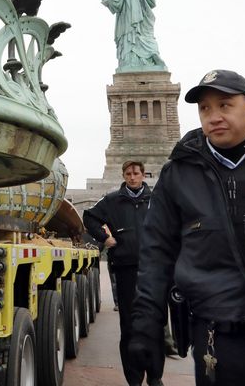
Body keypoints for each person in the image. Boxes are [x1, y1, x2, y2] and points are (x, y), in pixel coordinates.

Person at [130, 69, 245, 385]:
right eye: (205, 108)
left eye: (224, 105)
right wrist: (145, 324)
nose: (213, 116)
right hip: (220, 344)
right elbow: (156, 256)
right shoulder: (179, 176)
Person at [84, 161, 164, 386]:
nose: (132, 177)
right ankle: (134, 379)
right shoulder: (112, 200)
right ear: (124, 175)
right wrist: (105, 237)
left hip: (153, 271)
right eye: (128, 174)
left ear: (143, 175)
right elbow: (89, 217)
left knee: (155, 323)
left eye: (136, 173)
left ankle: (155, 376)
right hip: (126, 270)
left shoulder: (156, 200)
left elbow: (173, 224)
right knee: (130, 326)